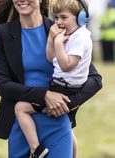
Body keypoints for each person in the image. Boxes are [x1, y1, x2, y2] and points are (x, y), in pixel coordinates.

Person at [0, 0, 102, 157]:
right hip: (22, 125)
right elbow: (3, 86)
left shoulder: (61, 29)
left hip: (57, 121)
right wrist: (45, 96)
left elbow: (95, 80)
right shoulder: (2, 33)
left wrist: (65, 104)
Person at [46, 0, 91, 157]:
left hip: (65, 87)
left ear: (81, 18)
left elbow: (67, 66)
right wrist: (52, 39)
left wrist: (58, 43)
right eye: (56, 17)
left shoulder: (81, 37)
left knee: (21, 109)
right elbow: (51, 58)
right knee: (67, 125)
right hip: (62, 84)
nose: (59, 22)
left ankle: (35, 148)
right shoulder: (69, 34)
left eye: (64, 17)